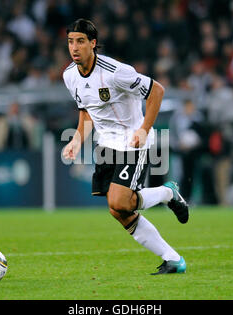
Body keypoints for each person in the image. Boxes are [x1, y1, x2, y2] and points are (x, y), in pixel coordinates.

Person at [62, 19, 188, 275]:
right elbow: (87, 113)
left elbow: (157, 91)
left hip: (133, 140)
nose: (74, 47)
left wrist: (144, 129)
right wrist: (77, 139)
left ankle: (167, 193)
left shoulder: (116, 71)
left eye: (80, 41)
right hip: (106, 145)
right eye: (70, 41)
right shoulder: (70, 76)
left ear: (93, 44)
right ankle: (173, 258)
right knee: (117, 209)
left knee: (121, 200)